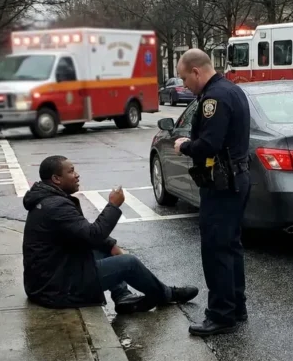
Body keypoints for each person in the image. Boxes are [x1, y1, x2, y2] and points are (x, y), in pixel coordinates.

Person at [22, 155, 199, 313]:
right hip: (58, 288)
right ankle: (166, 295)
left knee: (104, 247)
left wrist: (110, 245)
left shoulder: (48, 200)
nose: (77, 175)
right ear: (56, 179)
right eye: (71, 171)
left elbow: (81, 233)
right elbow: (93, 235)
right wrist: (113, 205)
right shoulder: (56, 205)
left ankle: (122, 296)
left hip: (48, 280)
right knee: (128, 263)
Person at [173, 49, 251, 336]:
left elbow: (209, 144)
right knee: (231, 246)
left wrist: (184, 146)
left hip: (222, 183)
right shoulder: (233, 90)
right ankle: (236, 307)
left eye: (184, 78)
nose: (184, 85)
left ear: (196, 71)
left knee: (216, 249)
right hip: (237, 178)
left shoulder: (213, 99)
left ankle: (221, 315)